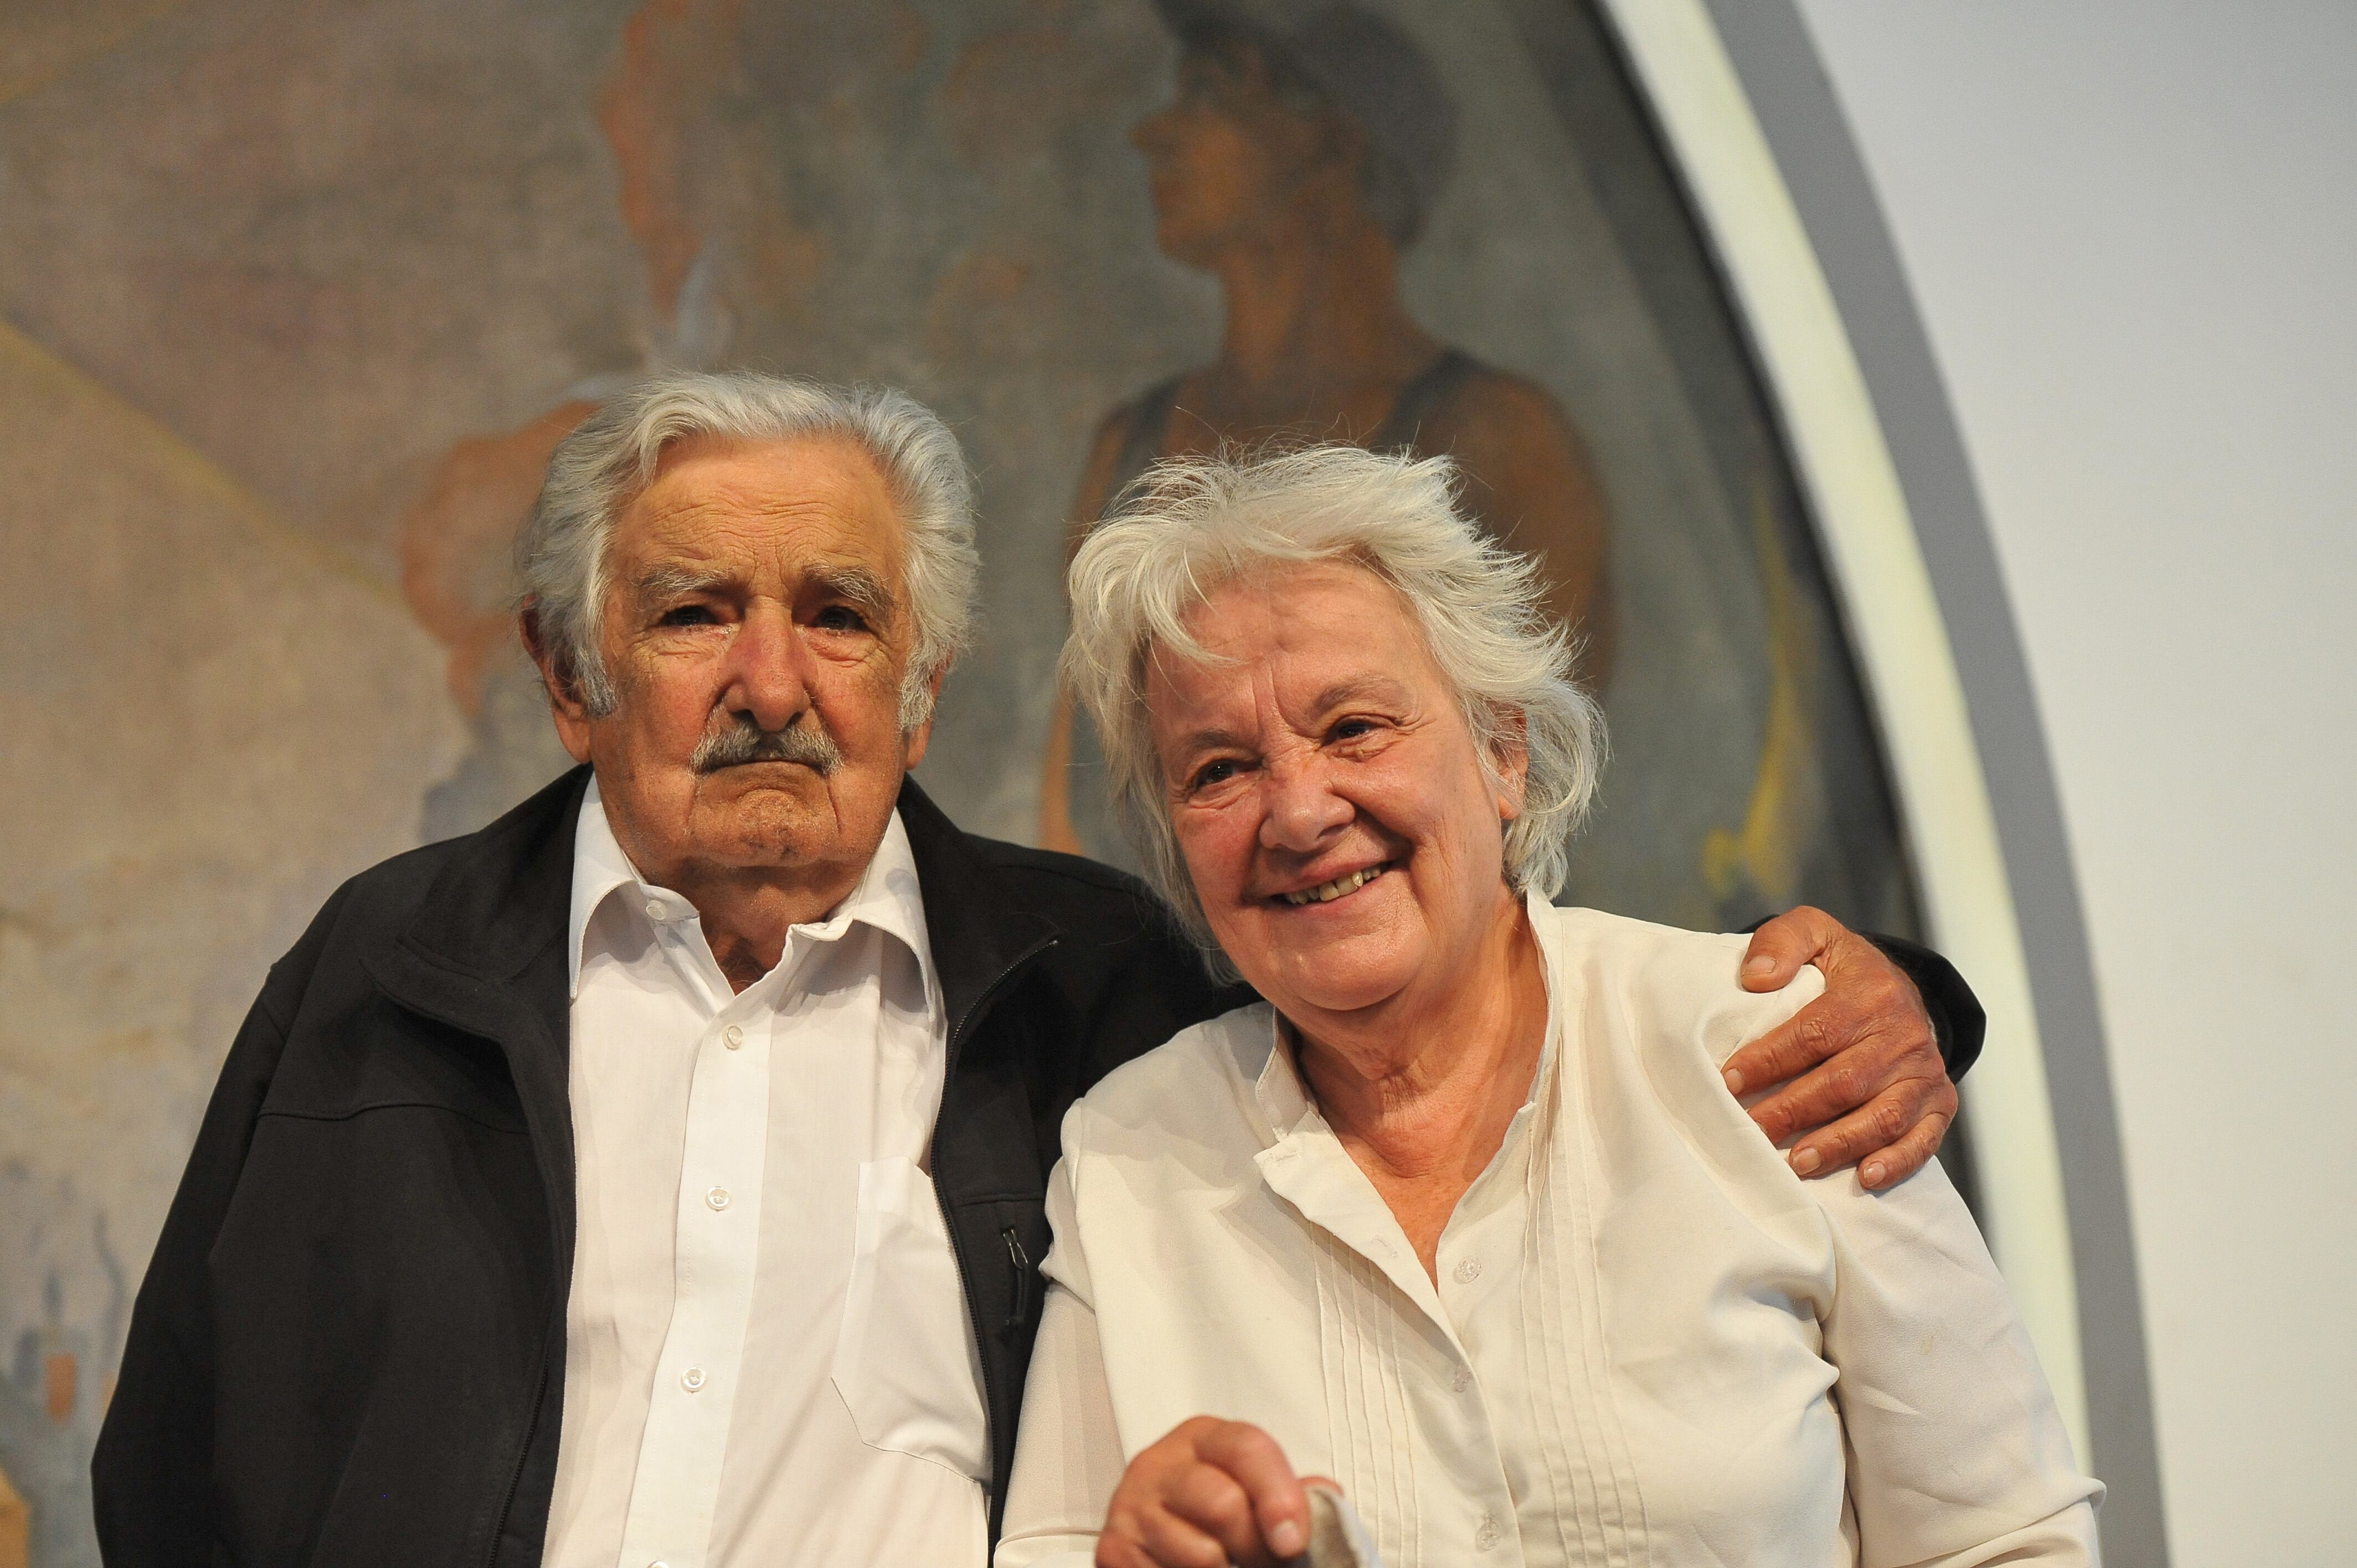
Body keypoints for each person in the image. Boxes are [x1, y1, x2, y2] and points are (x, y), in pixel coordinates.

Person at [94, 374, 1972, 1566]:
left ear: (920, 689)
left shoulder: (1089, 989)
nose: (770, 681)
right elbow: (178, 1464)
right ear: (571, 673)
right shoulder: (383, 968)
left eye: (839, 616)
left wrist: (1896, 1000)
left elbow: (1409, 979)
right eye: (693, 614)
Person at [999, 446, 2099, 1566]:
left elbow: (2005, 1539)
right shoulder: (1129, 1153)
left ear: (1502, 753)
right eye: (1220, 770)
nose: (1298, 813)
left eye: (1354, 728)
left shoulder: (1768, 1046)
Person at [1038, 0, 1611, 862]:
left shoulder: (1498, 434)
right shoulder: (1132, 442)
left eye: (1209, 94)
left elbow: (1530, 802)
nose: (1152, 134)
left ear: (1334, 138)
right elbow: (1079, 790)